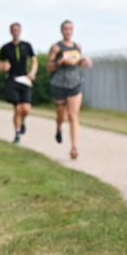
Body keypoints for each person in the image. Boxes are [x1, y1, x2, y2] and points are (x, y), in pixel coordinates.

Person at [47, 20, 92, 159]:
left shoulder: (77, 47)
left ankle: (74, 147)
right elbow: (49, 67)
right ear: (61, 31)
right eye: (65, 29)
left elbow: (77, 62)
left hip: (74, 84)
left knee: (73, 116)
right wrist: (59, 62)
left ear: (73, 31)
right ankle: (59, 127)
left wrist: (85, 62)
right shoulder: (56, 47)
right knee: (61, 116)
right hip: (59, 84)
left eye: (70, 29)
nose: (68, 31)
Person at [0, 22, 37, 144]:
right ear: (10, 31)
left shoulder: (27, 46)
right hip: (12, 80)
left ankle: (22, 121)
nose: (16, 31)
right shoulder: (5, 48)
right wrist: (4, 67)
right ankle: (17, 134)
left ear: (20, 31)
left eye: (17, 29)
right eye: (13, 30)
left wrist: (32, 73)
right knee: (18, 108)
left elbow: (34, 61)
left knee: (26, 109)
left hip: (25, 79)